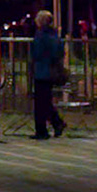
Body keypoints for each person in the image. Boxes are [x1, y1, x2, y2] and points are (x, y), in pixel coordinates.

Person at [29, 10, 67, 139]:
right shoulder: (54, 35)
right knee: (45, 101)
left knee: (40, 102)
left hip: (42, 71)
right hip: (51, 71)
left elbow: (37, 53)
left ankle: (42, 130)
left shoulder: (41, 35)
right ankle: (56, 123)